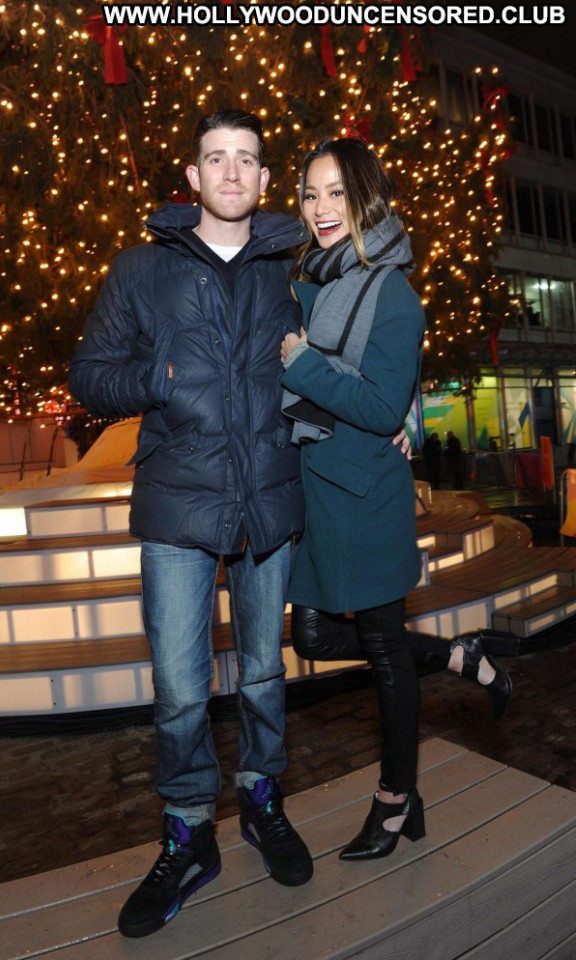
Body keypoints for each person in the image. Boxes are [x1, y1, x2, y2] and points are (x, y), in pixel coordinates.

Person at [69, 110, 410, 938]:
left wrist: (406, 421)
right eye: (215, 158)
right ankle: (189, 834)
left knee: (262, 673)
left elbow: (356, 357)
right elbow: (89, 375)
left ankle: (262, 800)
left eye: (247, 159)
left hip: (268, 503)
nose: (231, 172)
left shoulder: (287, 277)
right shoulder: (141, 270)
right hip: (177, 506)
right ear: (193, 177)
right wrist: (155, 376)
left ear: (262, 181)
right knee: (181, 688)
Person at [280, 137, 518, 863]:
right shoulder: (311, 277)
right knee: (313, 638)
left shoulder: (392, 293)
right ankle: (459, 655)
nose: (321, 209)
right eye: (310, 194)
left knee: (385, 652)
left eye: (337, 193)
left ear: (368, 200)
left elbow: (385, 407)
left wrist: (303, 366)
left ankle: (396, 799)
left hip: (363, 494)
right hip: (315, 489)